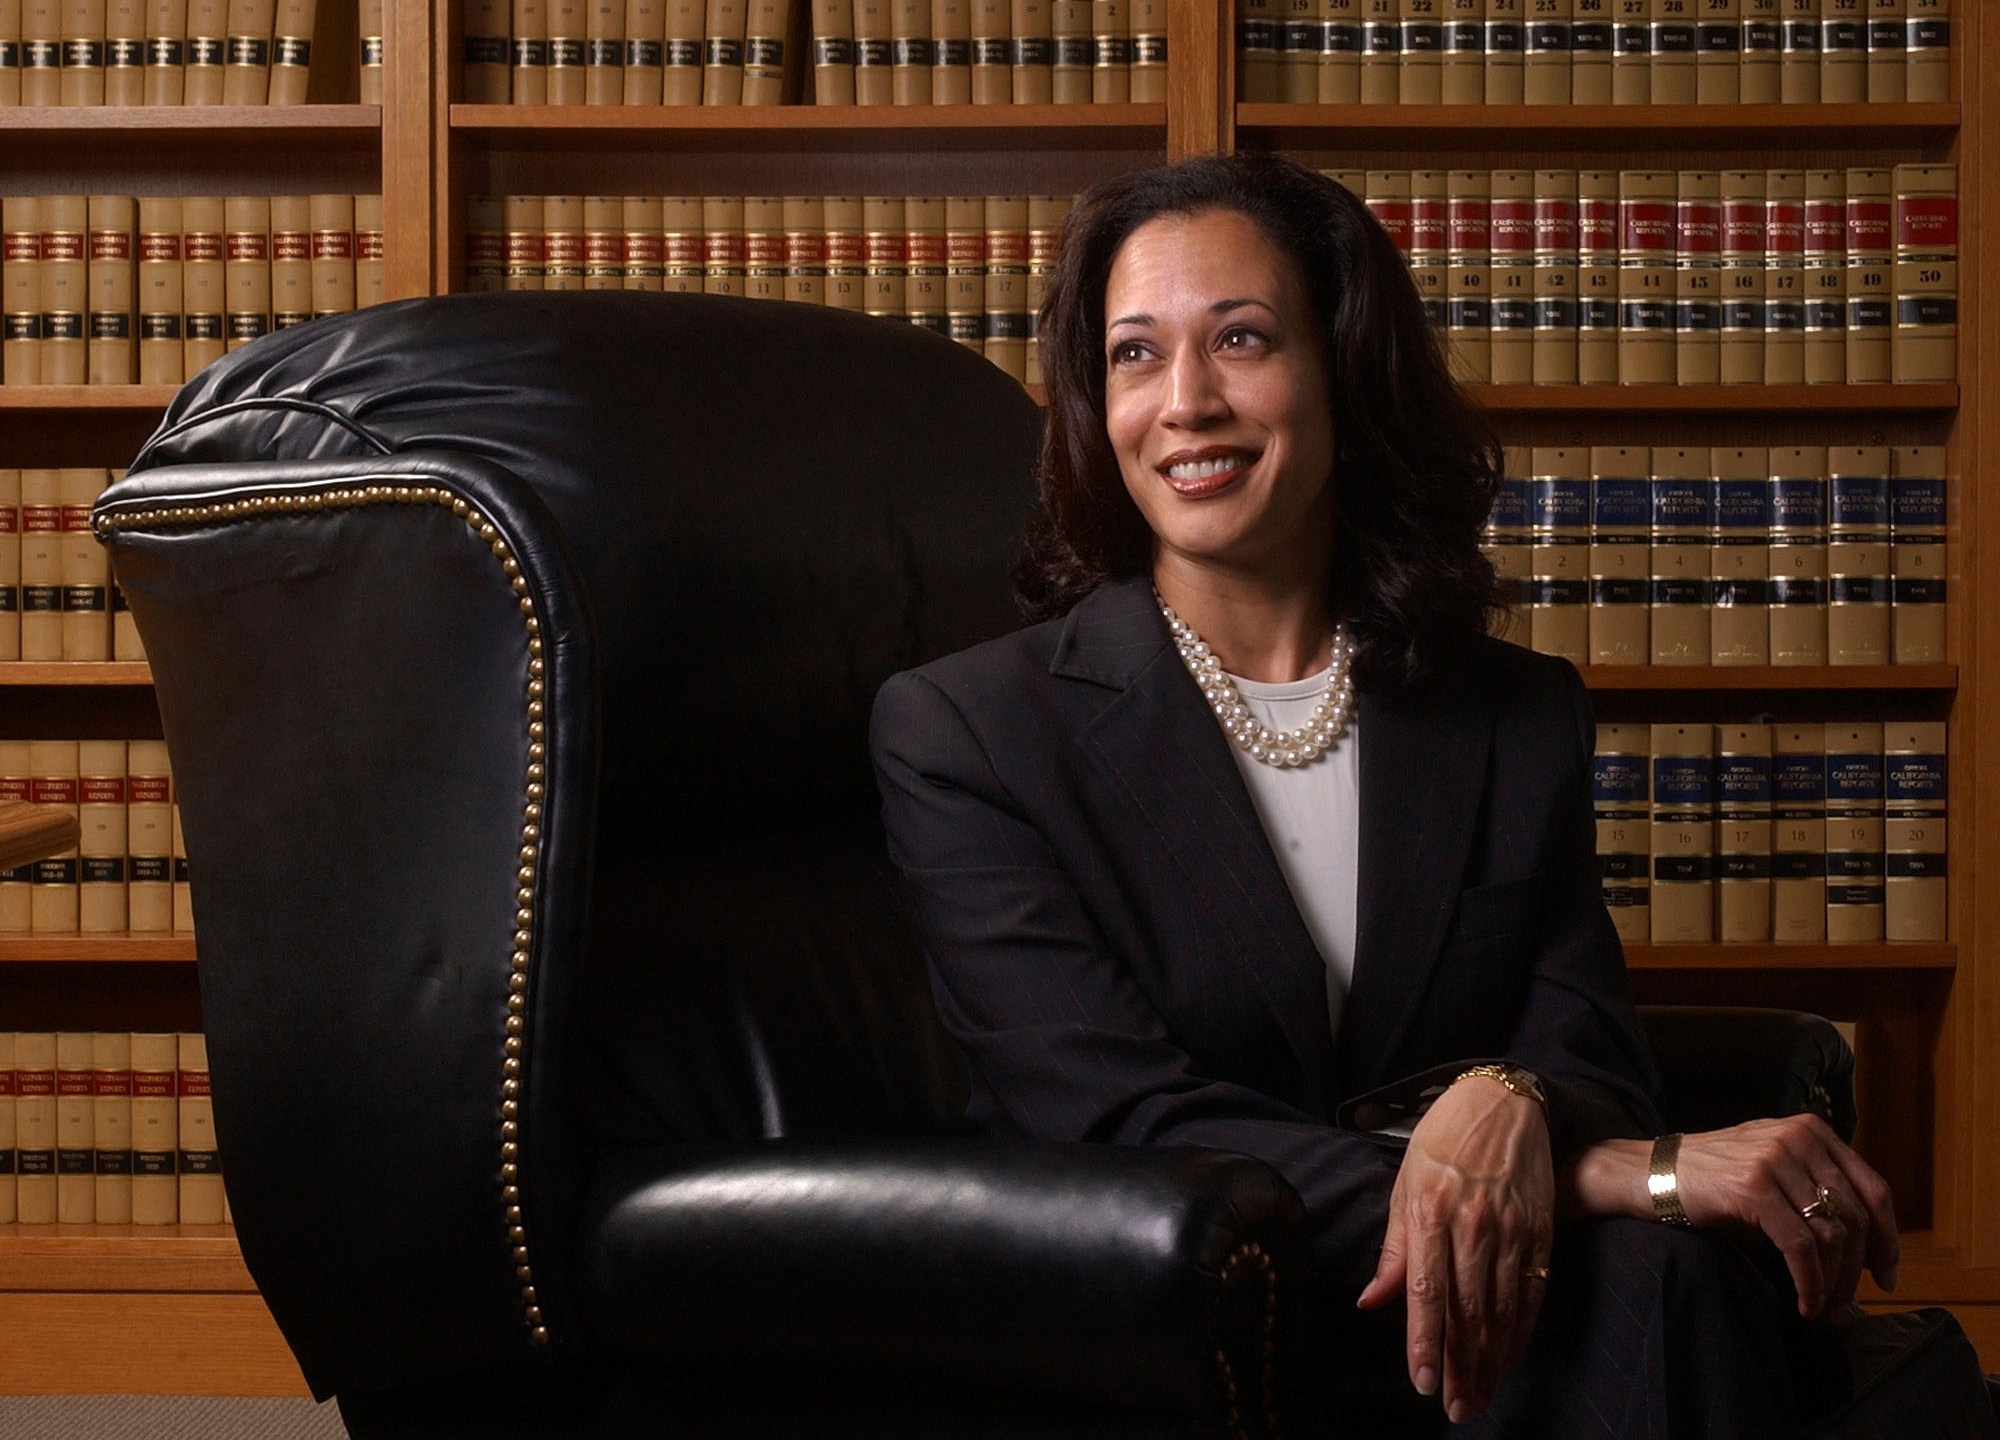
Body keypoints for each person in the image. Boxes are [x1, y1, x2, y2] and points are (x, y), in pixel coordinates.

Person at [869, 152, 1900, 1437]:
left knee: (1678, 1276)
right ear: (1094, 404)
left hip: (1488, 1313)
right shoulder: (969, 729)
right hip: (1176, 1307)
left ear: (1342, 372)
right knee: (1662, 1274)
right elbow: (1111, 1111)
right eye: (1134, 355)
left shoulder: (1507, 713)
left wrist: (1514, 1099)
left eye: (1239, 339)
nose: (1184, 402)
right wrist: (1590, 1172)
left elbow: (1579, 1036)